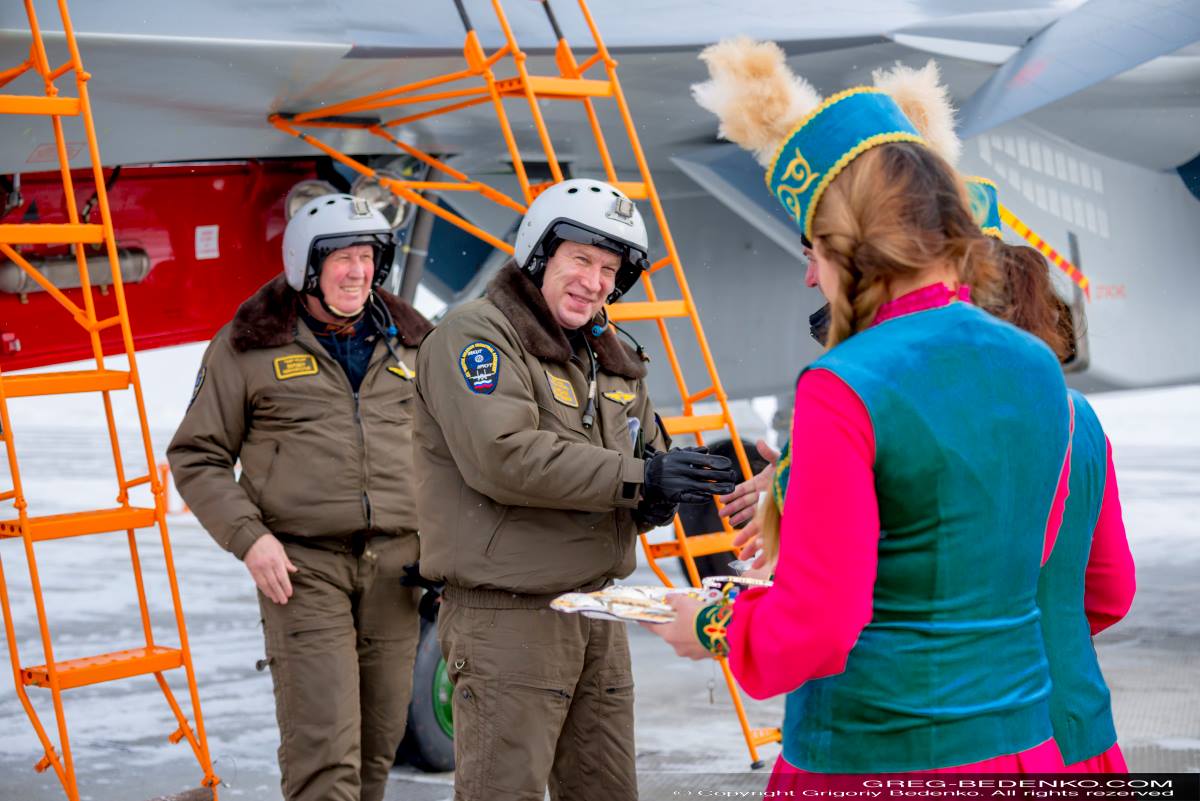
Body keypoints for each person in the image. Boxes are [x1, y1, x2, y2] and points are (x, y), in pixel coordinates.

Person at [644, 39, 1075, 781]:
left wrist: (713, 623)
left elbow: (820, 625)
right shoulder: (1035, 364)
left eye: (815, 245)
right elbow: (1022, 558)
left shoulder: (844, 385)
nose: (810, 272)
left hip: (878, 753)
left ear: (858, 245)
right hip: (1023, 749)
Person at [412, 178, 736, 801]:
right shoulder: (477, 336)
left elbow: (639, 466)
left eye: (609, 270)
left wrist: (668, 488)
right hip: (508, 616)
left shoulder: (609, 356)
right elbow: (502, 457)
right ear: (540, 253)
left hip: (598, 609)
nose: (594, 282)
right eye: (581, 260)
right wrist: (639, 478)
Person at [168, 193, 433, 801]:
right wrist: (250, 538)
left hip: (399, 570)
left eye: (367, 255)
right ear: (306, 266)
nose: (357, 270)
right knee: (325, 754)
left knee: (374, 752)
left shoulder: (417, 344)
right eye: (341, 256)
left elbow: (451, 456)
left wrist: (450, 548)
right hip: (301, 567)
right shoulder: (247, 346)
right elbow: (197, 455)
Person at [984, 238, 1137, 771]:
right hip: (1076, 723)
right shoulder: (1081, 418)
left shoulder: (947, 420)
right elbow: (1113, 589)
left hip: (979, 737)